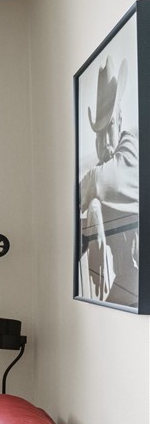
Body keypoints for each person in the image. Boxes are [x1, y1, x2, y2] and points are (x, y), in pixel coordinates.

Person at [79, 55, 140, 306]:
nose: (105, 141)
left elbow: (104, 181)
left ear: (121, 122)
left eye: (110, 127)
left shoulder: (132, 151)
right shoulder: (108, 161)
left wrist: (90, 201)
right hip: (129, 284)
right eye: (99, 133)